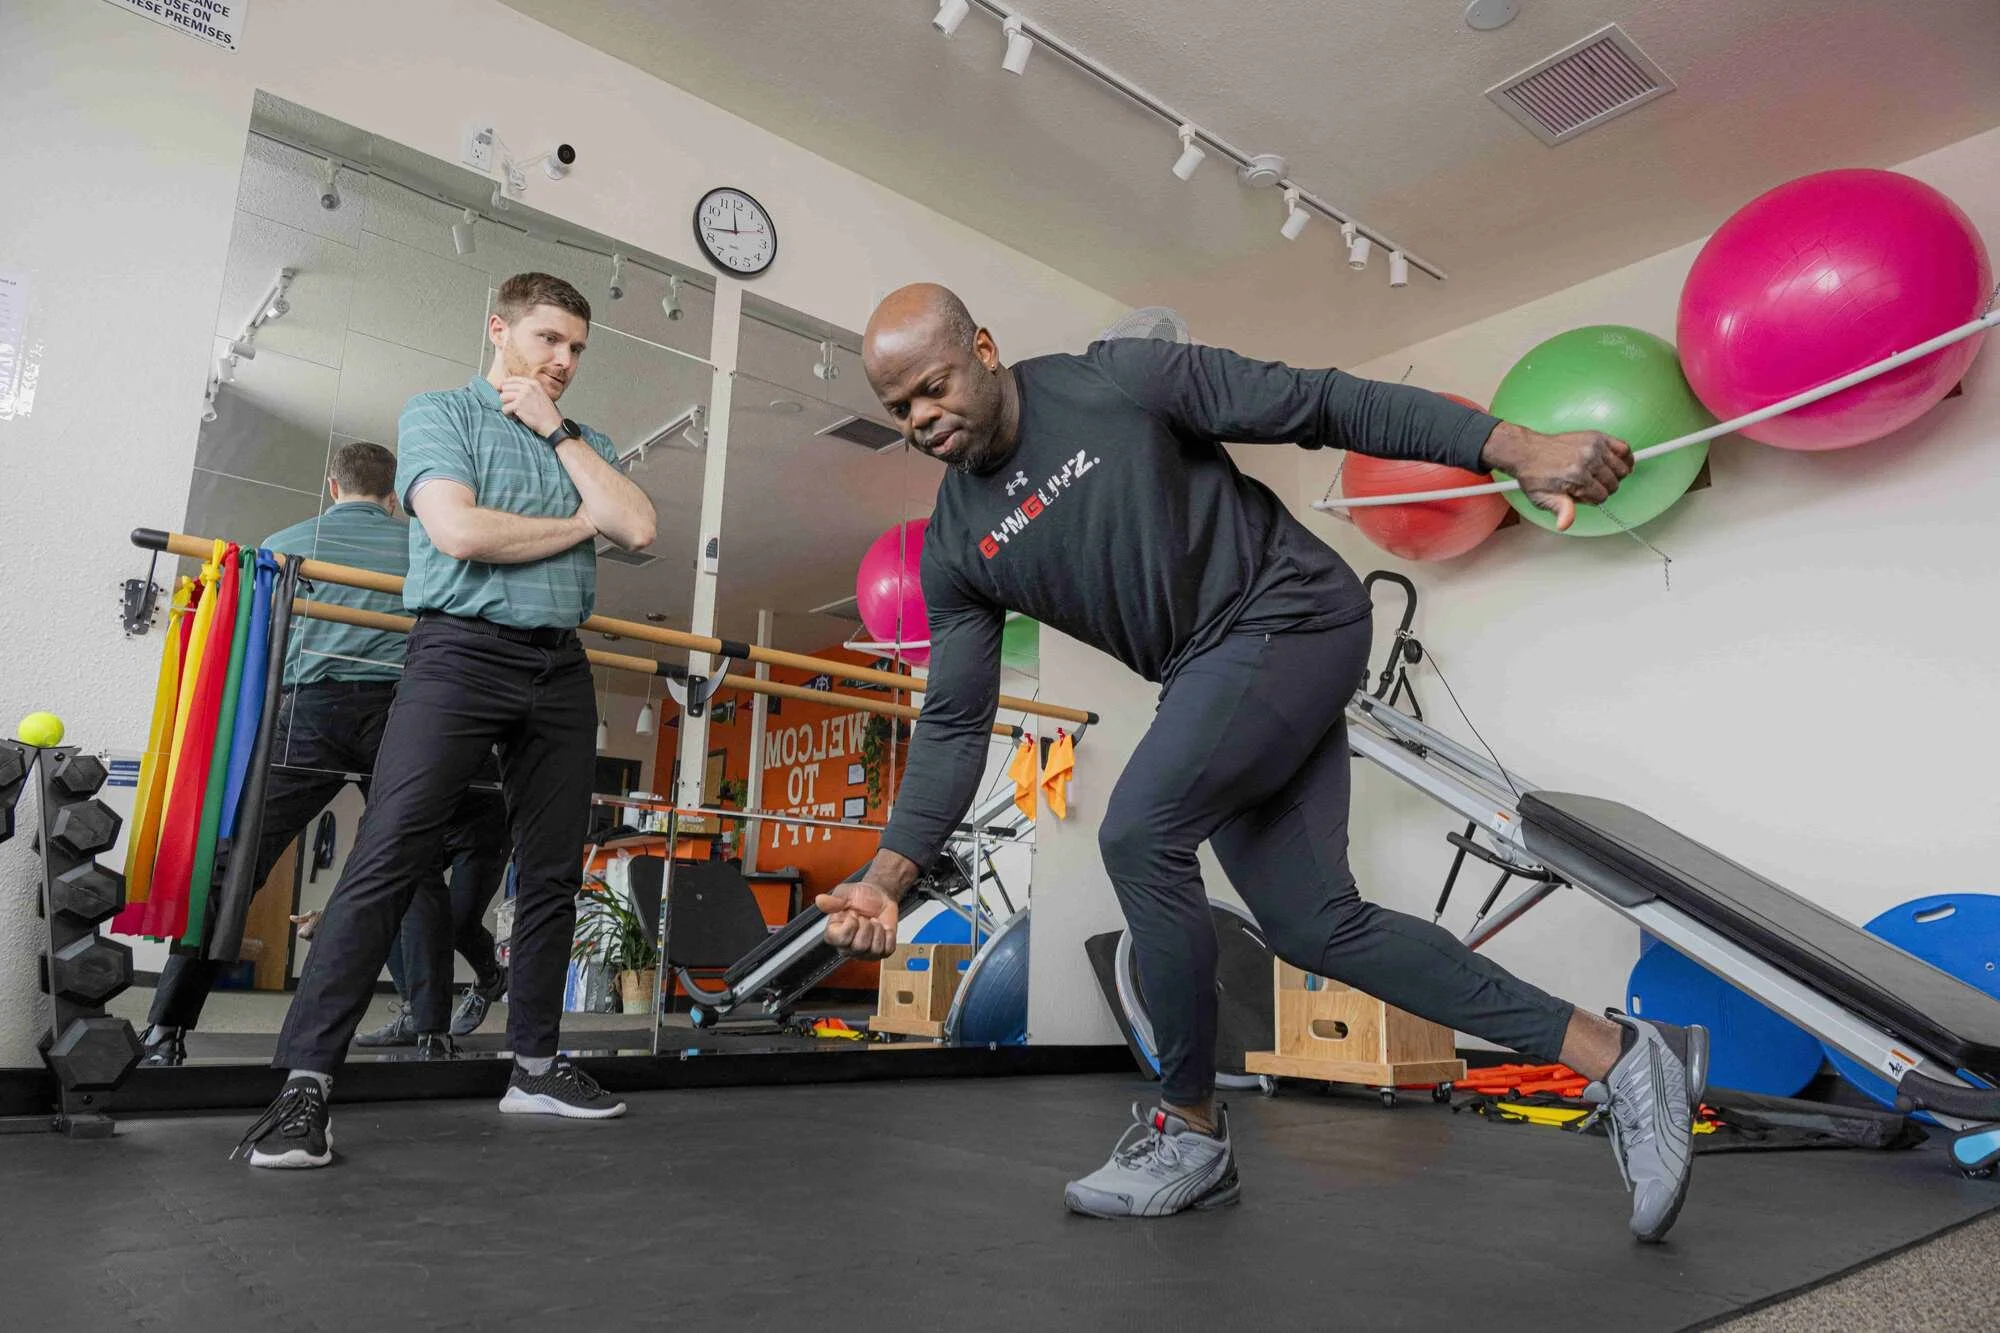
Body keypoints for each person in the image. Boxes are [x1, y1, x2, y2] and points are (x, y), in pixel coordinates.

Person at [817, 284, 1708, 1243]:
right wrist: (886, 878)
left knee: (1138, 832)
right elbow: (956, 719)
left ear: (984, 349)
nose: (921, 418)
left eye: (934, 386)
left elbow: (1323, 402)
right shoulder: (957, 544)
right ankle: (1622, 1056)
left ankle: (1189, 1129)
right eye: (899, 408)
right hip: (1213, 669)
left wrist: (1513, 445)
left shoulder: (1119, 380)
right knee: (1316, 926)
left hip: (1290, 614)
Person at [237, 271, 656, 1168]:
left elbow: (640, 527)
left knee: (552, 873)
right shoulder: (440, 414)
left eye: (577, 348)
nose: (564, 359)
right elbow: (460, 533)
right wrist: (581, 524)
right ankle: (305, 1085)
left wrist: (558, 433)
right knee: (389, 852)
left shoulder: (586, 439)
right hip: (459, 652)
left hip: (559, 664)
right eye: (548, 339)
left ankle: (534, 1067)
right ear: (498, 330)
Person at [139, 441, 477, 1065]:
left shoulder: (284, 543)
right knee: (415, 866)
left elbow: (263, 638)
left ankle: (166, 1029)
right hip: (400, 716)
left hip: (308, 711)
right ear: (393, 494)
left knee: (237, 862)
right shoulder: (426, 543)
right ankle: (432, 1031)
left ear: (332, 486)